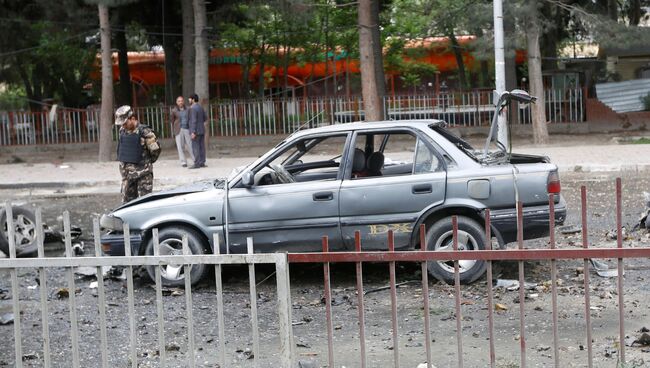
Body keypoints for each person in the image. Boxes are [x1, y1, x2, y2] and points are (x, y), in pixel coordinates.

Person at [115, 105, 161, 203]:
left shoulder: (145, 132)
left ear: (133, 118)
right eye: (121, 124)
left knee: (144, 205)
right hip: (127, 176)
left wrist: (146, 163)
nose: (123, 126)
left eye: (125, 123)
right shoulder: (122, 131)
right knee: (126, 206)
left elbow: (155, 151)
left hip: (143, 176)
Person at [170, 96, 194, 167]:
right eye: (179, 101)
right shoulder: (174, 110)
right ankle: (183, 161)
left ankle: (194, 159)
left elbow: (190, 118)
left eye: (181, 101)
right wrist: (175, 127)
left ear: (183, 101)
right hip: (178, 130)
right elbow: (172, 120)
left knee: (190, 145)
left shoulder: (188, 109)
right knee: (180, 146)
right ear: (176, 102)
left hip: (187, 129)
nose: (180, 102)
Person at [188, 93, 207, 169]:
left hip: (195, 130)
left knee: (195, 147)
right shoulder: (200, 107)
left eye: (189, 99)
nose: (189, 100)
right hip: (202, 129)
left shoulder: (192, 108)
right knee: (202, 146)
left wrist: (192, 132)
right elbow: (205, 118)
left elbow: (193, 121)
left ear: (193, 99)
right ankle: (202, 162)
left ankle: (197, 163)